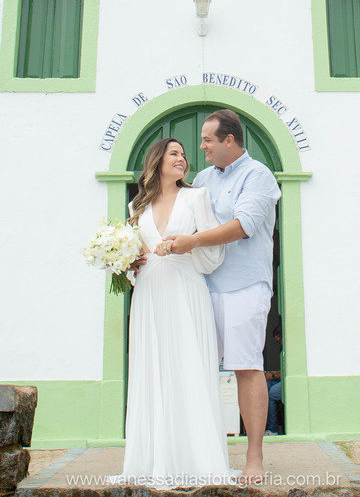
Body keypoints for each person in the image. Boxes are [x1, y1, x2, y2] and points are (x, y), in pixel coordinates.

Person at [164, 109, 281, 483]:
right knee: (199, 370)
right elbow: (180, 220)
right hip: (202, 285)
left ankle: (254, 458)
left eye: (208, 140)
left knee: (247, 367)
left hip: (246, 285)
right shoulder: (201, 178)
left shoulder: (258, 176)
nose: (202, 147)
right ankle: (204, 455)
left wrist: (191, 242)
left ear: (229, 140)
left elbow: (243, 226)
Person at [117, 137, 231, 487]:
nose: (182, 159)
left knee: (188, 365)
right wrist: (127, 262)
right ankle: (152, 459)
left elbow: (214, 248)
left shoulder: (196, 197)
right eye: (174, 154)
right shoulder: (139, 204)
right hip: (150, 293)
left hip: (186, 289)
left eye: (184, 155)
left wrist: (186, 247)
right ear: (158, 161)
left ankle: (197, 459)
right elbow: (134, 255)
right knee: (154, 367)